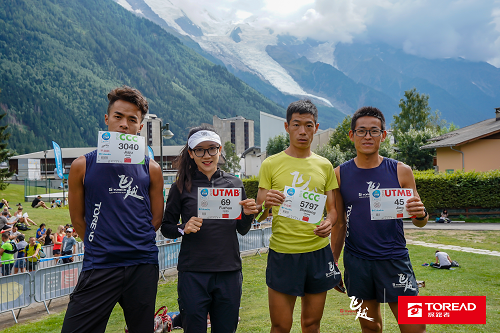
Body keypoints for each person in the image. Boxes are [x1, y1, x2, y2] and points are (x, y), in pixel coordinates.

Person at [61, 86, 164, 333]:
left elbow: (156, 218)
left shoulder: (152, 169)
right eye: (118, 117)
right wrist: (101, 243)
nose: (124, 124)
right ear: (107, 119)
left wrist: (134, 240)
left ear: (140, 127)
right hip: (101, 264)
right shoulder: (81, 166)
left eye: (132, 119)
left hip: (142, 264)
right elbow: (77, 219)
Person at [331, 106, 428, 333]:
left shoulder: (401, 171)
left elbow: (420, 220)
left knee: (416, 328)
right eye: (361, 131)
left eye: (374, 131)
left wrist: (420, 213)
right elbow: (340, 223)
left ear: (383, 135)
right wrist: (333, 261)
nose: (367, 136)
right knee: (371, 329)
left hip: (394, 260)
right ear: (351, 135)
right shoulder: (339, 174)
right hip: (357, 263)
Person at [255, 100, 341, 333]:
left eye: (308, 125)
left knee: (311, 324)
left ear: (316, 127)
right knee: (281, 326)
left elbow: (333, 210)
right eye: (296, 125)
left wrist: (328, 223)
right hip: (283, 253)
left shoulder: (324, 165)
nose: (302, 131)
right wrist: (265, 206)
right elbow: (259, 213)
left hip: (317, 253)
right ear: (286, 126)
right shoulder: (270, 164)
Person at [161, 125, 258, 333]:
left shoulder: (234, 184)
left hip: (228, 272)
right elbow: (166, 227)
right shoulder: (181, 185)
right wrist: (183, 228)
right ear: (191, 153)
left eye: (212, 148)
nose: (207, 155)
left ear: (220, 150)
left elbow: (241, 229)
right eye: (200, 150)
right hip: (193, 272)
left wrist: (249, 214)